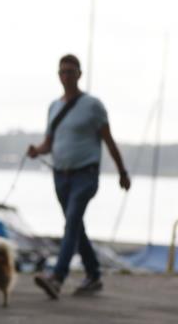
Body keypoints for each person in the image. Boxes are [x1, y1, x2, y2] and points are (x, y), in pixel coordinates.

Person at [27, 54, 130, 298]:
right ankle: (93, 275)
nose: (66, 76)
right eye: (62, 72)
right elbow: (49, 143)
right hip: (60, 176)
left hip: (85, 175)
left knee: (72, 220)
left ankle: (57, 277)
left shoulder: (93, 105)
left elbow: (109, 140)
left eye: (71, 71)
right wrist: (36, 151)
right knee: (75, 226)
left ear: (79, 74)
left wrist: (122, 172)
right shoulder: (54, 107)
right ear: (58, 75)